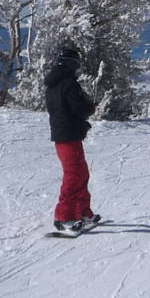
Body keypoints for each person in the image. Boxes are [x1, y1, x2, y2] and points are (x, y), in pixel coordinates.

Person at [46, 45, 100, 236]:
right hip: (67, 136)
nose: (78, 70)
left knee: (81, 173)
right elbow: (80, 109)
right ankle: (64, 216)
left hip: (66, 135)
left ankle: (82, 211)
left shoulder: (54, 84)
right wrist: (89, 106)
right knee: (74, 175)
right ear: (71, 65)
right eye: (77, 66)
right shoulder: (68, 84)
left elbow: (63, 110)